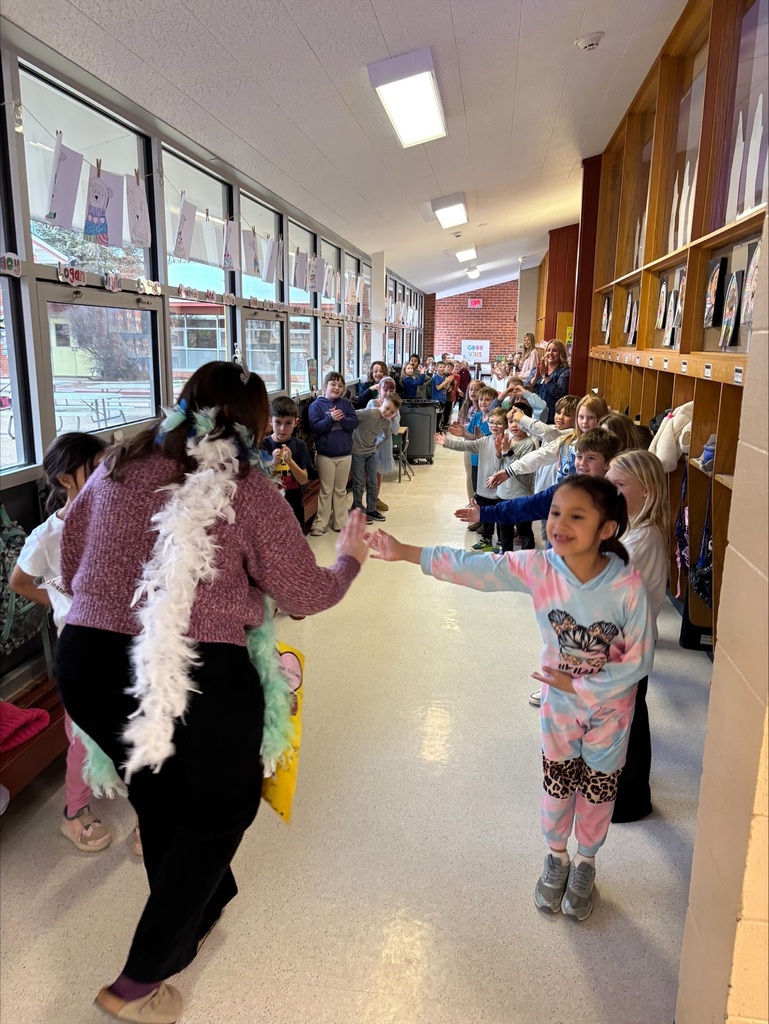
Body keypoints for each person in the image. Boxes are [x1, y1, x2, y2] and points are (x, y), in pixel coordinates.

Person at [55, 362, 369, 1023]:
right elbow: (304, 596)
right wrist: (349, 558)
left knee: (159, 788)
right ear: (252, 427)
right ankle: (139, 979)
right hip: (194, 665)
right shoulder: (247, 487)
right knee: (222, 807)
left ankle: (199, 907)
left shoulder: (116, 464)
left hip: (88, 659)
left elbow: (69, 552)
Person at [367, 475, 653, 922]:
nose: (560, 523)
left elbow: (637, 662)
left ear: (607, 529)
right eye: (556, 512)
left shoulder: (626, 586)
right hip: (561, 708)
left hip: (611, 711)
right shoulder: (541, 567)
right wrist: (407, 552)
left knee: (598, 788)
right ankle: (556, 856)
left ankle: (586, 862)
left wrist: (576, 686)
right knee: (558, 780)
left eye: (577, 516)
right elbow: (480, 568)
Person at [9, 432, 115, 853]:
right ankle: (75, 814)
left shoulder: (114, 518)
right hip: (81, 653)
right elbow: (19, 581)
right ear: (68, 479)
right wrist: (59, 601)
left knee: (134, 724)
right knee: (82, 735)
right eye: (99, 466)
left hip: (124, 642)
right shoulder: (47, 535)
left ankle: (149, 808)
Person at [606, 449, 669, 823]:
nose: (610, 491)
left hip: (628, 647)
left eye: (619, 484)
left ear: (646, 490)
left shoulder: (643, 539)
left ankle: (630, 799)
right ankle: (623, 789)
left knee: (629, 722)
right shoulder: (630, 528)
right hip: (621, 644)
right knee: (627, 719)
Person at [437, 407, 507, 551]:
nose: (494, 426)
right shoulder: (483, 442)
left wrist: (500, 451)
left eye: (499, 423)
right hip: (484, 488)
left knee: (500, 517)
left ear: (506, 425)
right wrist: (447, 442)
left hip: (500, 490)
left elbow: (503, 464)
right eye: (492, 422)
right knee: (485, 515)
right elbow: (465, 445)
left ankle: (501, 541)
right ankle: (486, 539)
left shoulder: (508, 443)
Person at [308, 372, 358, 537]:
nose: (336, 388)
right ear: (325, 386)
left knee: (340, 490)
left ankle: (340, 522)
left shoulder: (346, 404)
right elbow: (316, 427)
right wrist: (330, 419)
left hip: (345, 454)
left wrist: (341, 419)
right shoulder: (316, 405)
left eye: (340, 385)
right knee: (326, 490)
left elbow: (354, 422)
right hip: (325, 455)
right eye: (333, 384)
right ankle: (320, 522)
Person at [262, 395, 315, 526]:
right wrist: (273, 464)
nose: (282, 428)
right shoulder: (263, 445)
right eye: (278, 422)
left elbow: (303, 479)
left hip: (295, 504)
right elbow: (261, 482)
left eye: (288, 423)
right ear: (270, 421)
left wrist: (290, 462)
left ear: (296, 422)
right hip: (271, 506)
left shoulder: (300, 445)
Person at [351, 392, 401, 524]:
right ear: (382, 402)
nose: (388, 413)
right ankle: (357, 508)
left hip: (371, 453)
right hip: (357, 452)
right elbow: (351, 416)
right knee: (358, 482)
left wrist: (375, 445)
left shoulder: (386, 422)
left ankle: (371, 509)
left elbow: (386, 435)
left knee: (372, 482)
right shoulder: (368, 413)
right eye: (387, 408)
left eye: (392, 412)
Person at [496, 404, 537, 552]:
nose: (514, 425)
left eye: (518, 422)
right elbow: (499, 466)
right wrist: (498, 452)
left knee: (524, 530)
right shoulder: (507, 439)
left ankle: (527, 558)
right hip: (503, 493)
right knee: (504, 530)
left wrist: (507, 451)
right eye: (511, 421)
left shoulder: (529, 444)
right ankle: (506, 556)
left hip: (521, 495)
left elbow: (521, 469)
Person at [365, 377, 401, 511]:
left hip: (384, 444)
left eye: (391, 390)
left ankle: (374, 500)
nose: (387, 392)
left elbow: (395, 430)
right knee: (366, 475)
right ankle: (362, 502)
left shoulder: (395, 409)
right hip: (370, 443)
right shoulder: (372, 403)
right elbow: (367, 424)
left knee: (378, 474)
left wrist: (392, 419)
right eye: (385, 389)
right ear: (379, 390)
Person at [454, 380, 483, 504]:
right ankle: (471, 501)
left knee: (479, 475)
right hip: (468, 444)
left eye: (477, 390)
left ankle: (480, 500)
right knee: (469, 474)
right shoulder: (467, 407)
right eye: (471, 389)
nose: (473, 392)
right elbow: (462, 423)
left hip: (480, 444)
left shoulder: (483, 408)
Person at [534, 340, 571, 423]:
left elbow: (559, 393)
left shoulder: (565, 371)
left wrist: (545, 376)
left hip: (551, 417)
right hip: (536, 414)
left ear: (561, 353)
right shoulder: (541, 367)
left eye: (554, 351)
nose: (550, 353)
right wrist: (536, 377)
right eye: (548, 350)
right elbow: (527, 388)